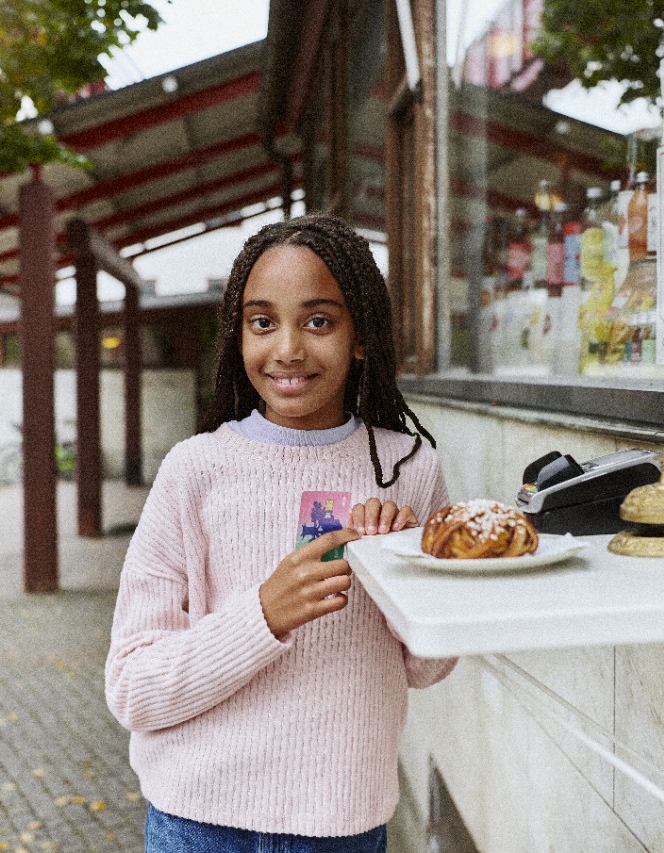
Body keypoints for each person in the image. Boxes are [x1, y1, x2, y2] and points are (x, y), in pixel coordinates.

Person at [105, 213, 456, 851]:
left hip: (342, 824)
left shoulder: (408, 468)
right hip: (199, 821)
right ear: (237, 336)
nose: (287, 348)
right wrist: (263, 615)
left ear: (360, 337)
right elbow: (132, 688)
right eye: (262, 321)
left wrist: (405, 567)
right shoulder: (194, 472)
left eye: (318, 320)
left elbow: (428, 666)